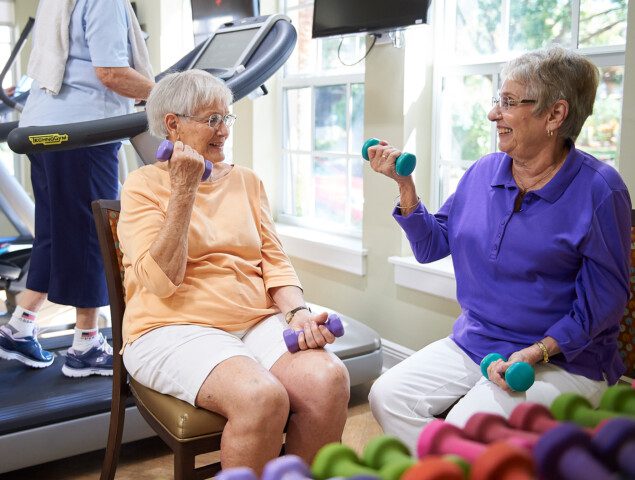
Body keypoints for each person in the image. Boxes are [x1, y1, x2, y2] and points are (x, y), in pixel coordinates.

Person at [367, 45, 631, 452]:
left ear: (555, 115)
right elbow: (432, 246)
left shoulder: (599, 190)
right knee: (387, 396)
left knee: (463, 428)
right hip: (478, 341)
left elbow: (605, 303)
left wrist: (537, 351)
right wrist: (406, 188)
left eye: (508, 103)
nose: (493, 114)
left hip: (564, 360)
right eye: (498, 101)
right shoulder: (483, 172)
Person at [117, 69, 350, 471]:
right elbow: (159, 282)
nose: (223, 130)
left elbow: (275, 263)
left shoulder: (246, 181)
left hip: (254, 321)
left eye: (227, 118)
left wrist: (299, 315)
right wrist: (184, 189)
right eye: (212, 120)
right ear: (173, 124)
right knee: (261, 397)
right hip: (171, 327)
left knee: (329, 380)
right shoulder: (142, 186)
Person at [0, 0, 155, 376]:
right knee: (94, 234)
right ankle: (86, 343)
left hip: (42, 126)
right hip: (84, 129)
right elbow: (111, 72)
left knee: (54, 231)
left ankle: (21, 324)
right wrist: (173, 93)